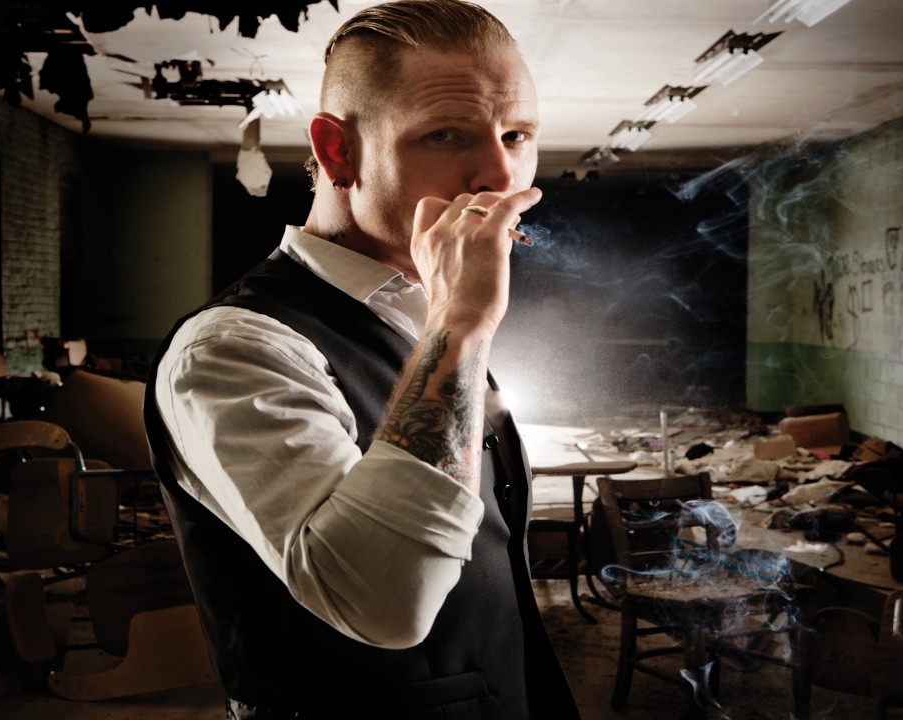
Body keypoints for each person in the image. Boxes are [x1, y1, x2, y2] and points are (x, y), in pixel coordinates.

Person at [142, 1, 580, 718]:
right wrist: (460, 324)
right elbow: (384, 606)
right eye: (446, 134)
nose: (500, 176)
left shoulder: (416, 312)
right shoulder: (231, 349)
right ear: (338, 150)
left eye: (516, 135)